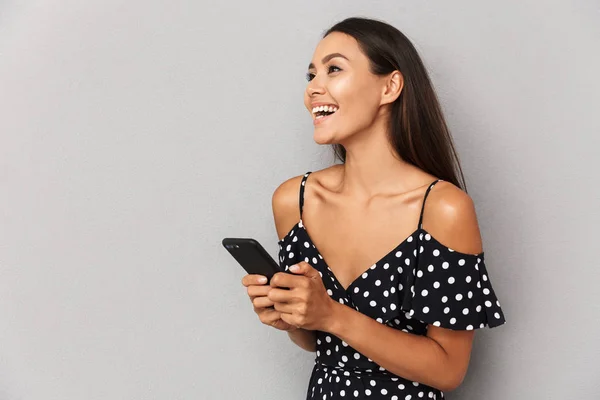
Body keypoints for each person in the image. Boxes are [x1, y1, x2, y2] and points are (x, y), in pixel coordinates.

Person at [241, 16, 506, 400]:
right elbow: (319, 342)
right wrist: (290, 316)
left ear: (390, 86)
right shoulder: (293, 200)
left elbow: (448, 370)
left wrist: (331, 314)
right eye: (311, 75)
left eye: (334, 69)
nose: (314, 88)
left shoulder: (442, 209)